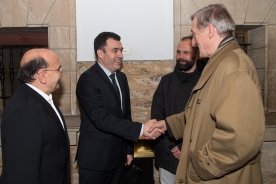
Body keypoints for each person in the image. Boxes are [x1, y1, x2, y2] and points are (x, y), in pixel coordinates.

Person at [149, 4, 265, 184]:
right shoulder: (218, 64)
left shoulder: (234, 67)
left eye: (195, 35)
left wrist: (198, 166)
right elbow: (199, 114)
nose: (194, 42)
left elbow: (239, 139)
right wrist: (167, 125)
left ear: (210, 31)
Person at [76, 31, 162, 184]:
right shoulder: (88, 80)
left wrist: (128, 150)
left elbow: (125, 115)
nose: (120, 55)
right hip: (95, 160)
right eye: (115, 50)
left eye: (121, 50)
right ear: (100, 53)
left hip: (118, 158)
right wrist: (141, 129)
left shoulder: (121, 78)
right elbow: (101, 119)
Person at [0, 49, 71, 184]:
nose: (61, 74)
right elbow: (22, 176)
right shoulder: (24, 112)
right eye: (58, 69)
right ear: (42, 75)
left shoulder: (42, 98)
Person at [151, 36, 204, 184]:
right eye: (178, 52)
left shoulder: (205, 82)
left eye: (186, 53)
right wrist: (172, 148)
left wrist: (188, 149)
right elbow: (156, 116)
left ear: (197, 55)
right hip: (168, 156)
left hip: (196, 156)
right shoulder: (166, 81)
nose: (181, 56)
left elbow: (206, 118)